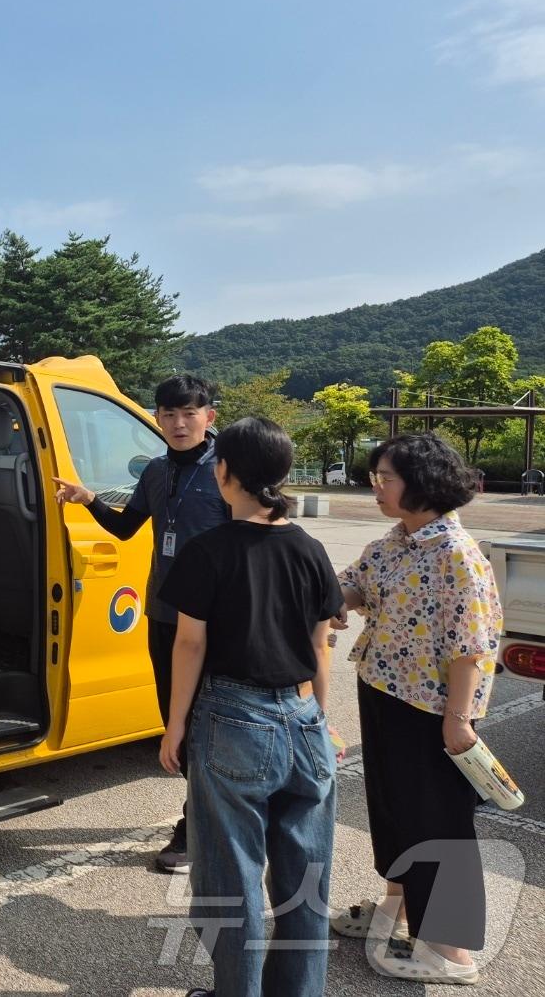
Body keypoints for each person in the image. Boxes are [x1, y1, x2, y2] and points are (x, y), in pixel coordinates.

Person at [157, 416, 342, 997]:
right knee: (306, 877)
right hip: (302, 718)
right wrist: (322, 721)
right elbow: (319, 647)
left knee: (229, 879)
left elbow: (190, 643)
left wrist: (175, 724)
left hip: (232, 718)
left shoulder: (207, 551)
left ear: (224, 473)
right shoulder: (310, 549)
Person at [330, 433, 502, 986]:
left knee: (438, 823)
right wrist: (328, 603)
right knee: (394, 807)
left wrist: (458, 719)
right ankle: (398, 906)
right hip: (382, 690)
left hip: (432, 710)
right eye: (376, 476)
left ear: (423, 484)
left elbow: (472, 646)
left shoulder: (457, 555)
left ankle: (449, 952)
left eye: (387, 478)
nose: (375, 486)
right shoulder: (395, 542)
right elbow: (353, 587)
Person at [54, 373, 229, 872]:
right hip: (164, 614)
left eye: (189, 413)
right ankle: (207, 817)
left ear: (208, 417)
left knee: (207, 724)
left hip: (215, 620)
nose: (178, 423)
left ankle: (200, 827)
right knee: (176, 721)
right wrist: (89, 500)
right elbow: (128, 527)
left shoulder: (227, 471)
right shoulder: (155, 472)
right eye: (168, 414)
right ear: (156, 419)